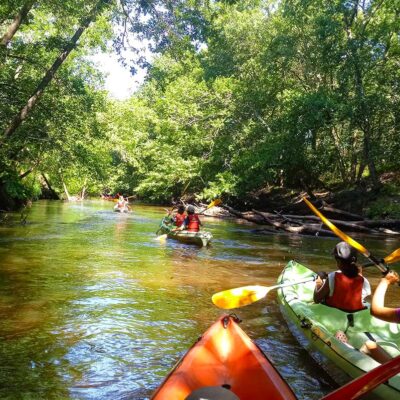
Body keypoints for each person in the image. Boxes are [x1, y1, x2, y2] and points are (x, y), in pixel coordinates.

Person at [314, 241, 371, 312]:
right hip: (355, 314)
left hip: (335, 314)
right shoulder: (364, 281)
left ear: (338, 262)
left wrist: (319, 280)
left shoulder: (333, 276)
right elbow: (355, 285)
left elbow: (316, 299)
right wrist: (359, 273)